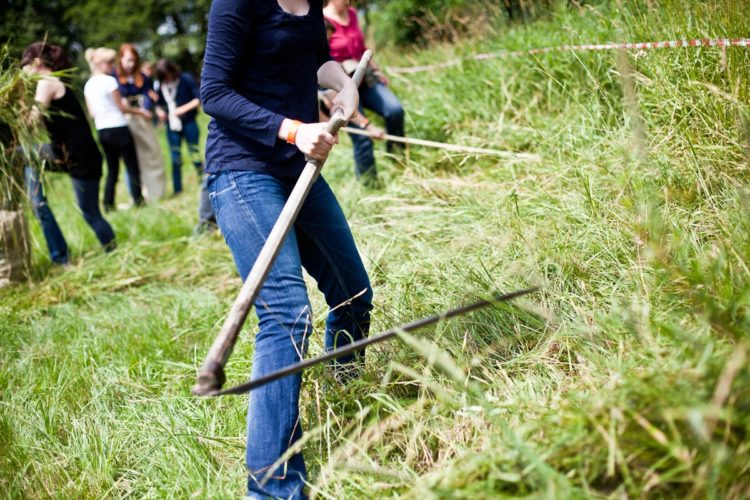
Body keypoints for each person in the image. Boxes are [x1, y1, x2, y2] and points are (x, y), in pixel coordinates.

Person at [201, 0, 373, 497]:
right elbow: (214, 92)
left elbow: (314, 58)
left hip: (297, 168)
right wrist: (294, 130)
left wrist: (342, 85)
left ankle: (346, 397)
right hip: (243, 168)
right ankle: (273, 488)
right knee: (287, 316)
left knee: (352, 293)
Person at [19, 42, 116, 263]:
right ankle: (40, 208)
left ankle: (113, 251)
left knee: (91, 213)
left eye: (23, 66)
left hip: (80, 158)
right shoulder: (52, 82)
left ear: (36, 63)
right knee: (22, 155)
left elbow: (31, 123)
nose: (21, 72)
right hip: (62, 153)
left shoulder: (47, 81)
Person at [323, 0, 405, 180]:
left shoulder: (352, 14)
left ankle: (398, 161)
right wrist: (367, 125)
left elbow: (362, 47)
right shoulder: (322, 21)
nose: (349, 2)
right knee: (363, 138)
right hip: (340, 87)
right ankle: (370, 183)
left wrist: (376, 69)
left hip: (364, 78)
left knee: (395, 110)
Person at [84, 47, 145, 211]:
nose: (113, 65)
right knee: (132, 166)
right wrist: (139, 111)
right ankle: (139, 200)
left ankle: (108, 204)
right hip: (118, 127)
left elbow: (91, 113)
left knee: (112, 170)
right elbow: (121, 107)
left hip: (102, 130)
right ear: (100, 63)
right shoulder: (109, 81)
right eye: (110, 62)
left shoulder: (88, 85)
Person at [116, 43, 167, 202]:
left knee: (151, 154)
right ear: (121, 59)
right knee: (131, 159)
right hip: (126, 121)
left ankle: (155, 192)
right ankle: (137, 195)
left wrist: (146, 109)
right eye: (128, 60)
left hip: (143, 121)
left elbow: (148, 95)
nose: (131, 64)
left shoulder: (143, 77)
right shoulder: (115, 77)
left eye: (134, 60)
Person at [154, 59, 202, 195]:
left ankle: (203, 183)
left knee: (194, 153)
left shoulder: (185, 79)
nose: (167, 79)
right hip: (172, 125)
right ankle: (177, 190)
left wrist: (181, 109)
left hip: (189, 122)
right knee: (175, 157)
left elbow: (198, 99)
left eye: (167, 75)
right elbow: (158, 104)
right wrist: (159, 112)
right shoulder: (161, 86)